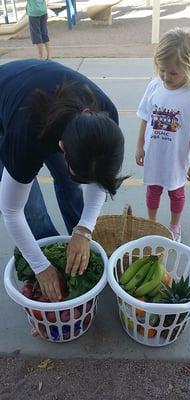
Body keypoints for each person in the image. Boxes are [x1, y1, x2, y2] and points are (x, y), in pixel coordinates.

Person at [0, 59, 126, 302]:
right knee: (31, 208)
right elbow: (11, 211)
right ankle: (50, 257)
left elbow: (99, 176)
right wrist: (40, 267)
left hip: (49, 99)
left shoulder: (106, 117)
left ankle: (76, 242)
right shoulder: (24, 137)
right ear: (62, 147)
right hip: (12, 106)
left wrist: (85, 229)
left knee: (70, 183)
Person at [136, 27, 190, 242]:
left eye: (173, 73)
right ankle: (151, 223)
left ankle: (174, 225)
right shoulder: (154, 86)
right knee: (152, 190)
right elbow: (145, 117)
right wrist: (139, 145)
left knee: (176, 193)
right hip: (154, 154)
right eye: (162, 70)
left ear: (189, 67)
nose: (165, 76)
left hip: (177, 158)